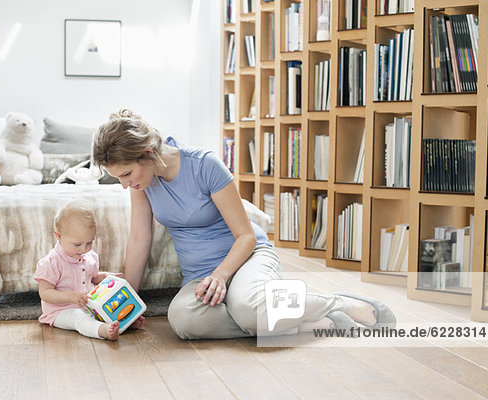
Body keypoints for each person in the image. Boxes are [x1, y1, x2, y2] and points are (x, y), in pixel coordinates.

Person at [92, 109, 395, 340]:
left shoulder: (205, 165)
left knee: (248, 309)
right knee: (184, 320)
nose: (123, 184)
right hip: (201, 276)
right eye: (118, 177)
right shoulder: (143, 184)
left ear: (147, 153)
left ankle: (333, 303)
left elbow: (246, 235)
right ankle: (306, 325)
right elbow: (139, 237)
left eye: (126, 174)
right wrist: (128, 299)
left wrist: (222, 276)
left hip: (246, 257)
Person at [34, 199, 145, 341]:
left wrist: (106, 277)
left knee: (108, 306)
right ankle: (102, 331)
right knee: (78, 317)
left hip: (89, 305)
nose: (84, 249)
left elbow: (92, 278)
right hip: (61, 311)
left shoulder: (89, 256)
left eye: (89, 243)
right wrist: (70, 297)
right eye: (77, 244)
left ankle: (125, 322)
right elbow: (45, 293)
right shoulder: (52, 262)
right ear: (59, 236)